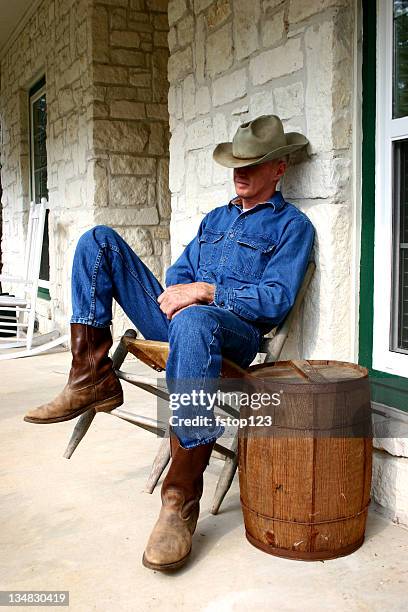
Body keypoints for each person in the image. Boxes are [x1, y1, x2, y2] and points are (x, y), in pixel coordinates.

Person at [23, 115, 315, 571]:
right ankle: (90, 375)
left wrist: (206, 293)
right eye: (236, 162)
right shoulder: (216, 219)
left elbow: (275, 300)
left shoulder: (291, 227)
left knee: (197, 319)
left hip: (232, 334)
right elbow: (180, 274)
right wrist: (180, 294)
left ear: (279, 169)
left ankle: (179, 499)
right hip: (183, 320)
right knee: (98, 241)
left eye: (254, 163)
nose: (241, 171)